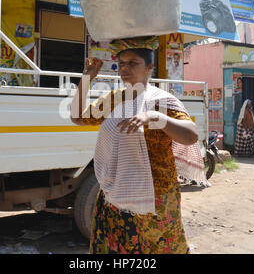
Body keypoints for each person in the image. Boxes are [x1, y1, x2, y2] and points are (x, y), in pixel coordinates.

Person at [70, 36, 205, 254]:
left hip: (155, 197)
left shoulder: (162, 101)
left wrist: (155, 117)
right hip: (115, 194)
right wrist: (86, 79)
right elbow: (77, 117)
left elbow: (191, 136)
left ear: (150, 67)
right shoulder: (114, 100)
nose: (125, 68)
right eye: (122, 63)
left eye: (133, 63)